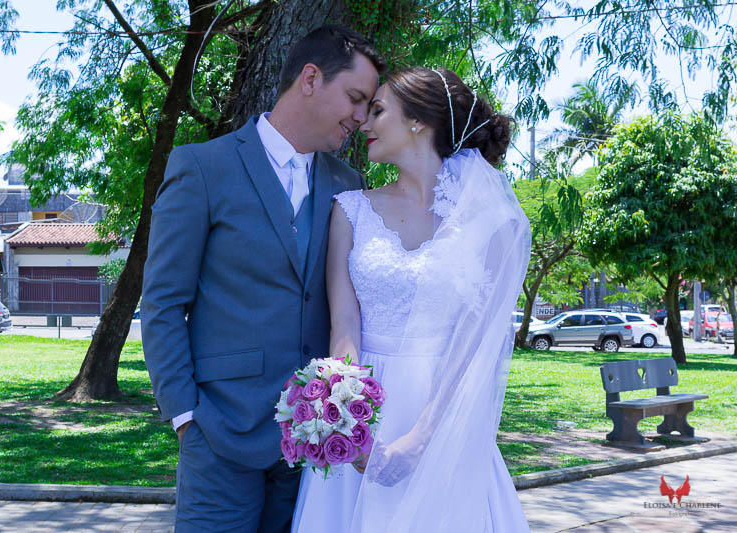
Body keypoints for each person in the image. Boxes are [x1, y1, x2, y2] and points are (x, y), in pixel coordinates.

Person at [140, 26, 385, 532]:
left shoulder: (349, 185)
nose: (362, 118)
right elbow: (163, 303)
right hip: (219, 434)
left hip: (313, 448)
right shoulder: (202, 167)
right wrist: (185, 416)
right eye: (356, 98)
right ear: (311, 79)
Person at [292, 67, 531, 532]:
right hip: (367, 403)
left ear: (419, 121)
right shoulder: (350, 210)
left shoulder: (487, 224)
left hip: (445, 406)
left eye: (378, 110)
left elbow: (474, 345)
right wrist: (345, 413)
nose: (364, 123)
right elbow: (344, 324)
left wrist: (421, 439)